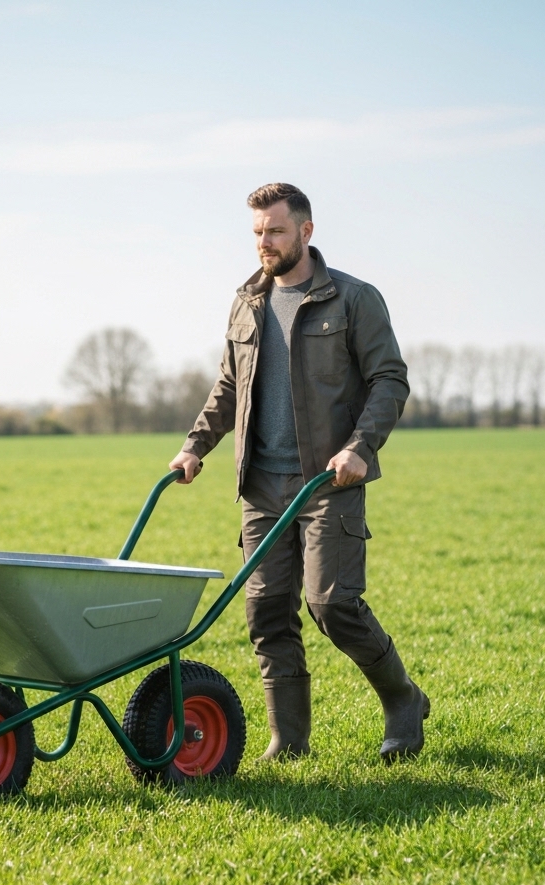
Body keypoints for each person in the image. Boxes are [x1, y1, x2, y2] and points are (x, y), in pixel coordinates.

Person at [169, 182, 429, 763]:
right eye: (257, 233)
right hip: (260, 485)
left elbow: (390, 379)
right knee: (266, 611)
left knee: (332, 604)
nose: (265, 242)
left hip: (327, 481)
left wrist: (361, 447)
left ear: (306, 232)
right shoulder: (246, 302)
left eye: (276, 231)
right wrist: (195, 447)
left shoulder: (353, 299)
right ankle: (289, 741)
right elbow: (229, 386)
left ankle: (403, 701)